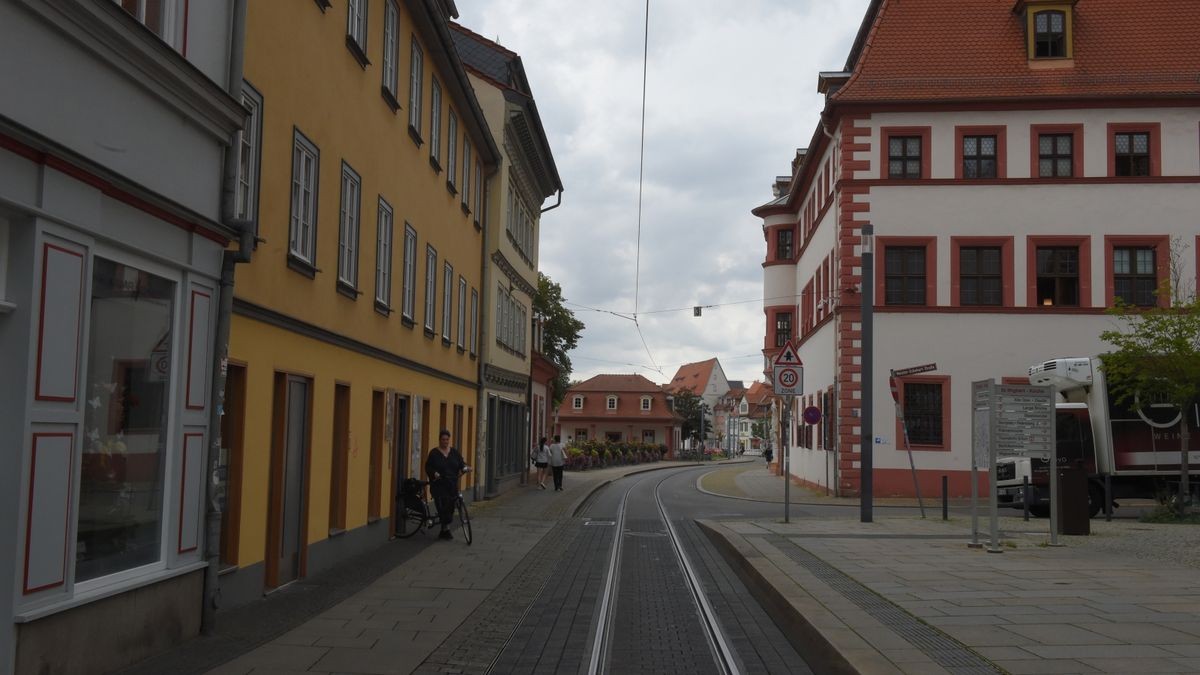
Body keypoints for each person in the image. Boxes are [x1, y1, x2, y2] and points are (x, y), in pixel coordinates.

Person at [425, 429, 471, 540]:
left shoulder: (454, 452)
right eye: (443, 440)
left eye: (447, 439)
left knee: (450, 508)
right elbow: (428, 467)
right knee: (442, 507)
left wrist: (466, 467)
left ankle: (445, 529)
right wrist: (434, 473)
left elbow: (461, 463)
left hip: (452, 484)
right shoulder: (434, 453)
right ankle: (446, 529)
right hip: (439, 485)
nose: (445, 442)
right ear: (439, 440)